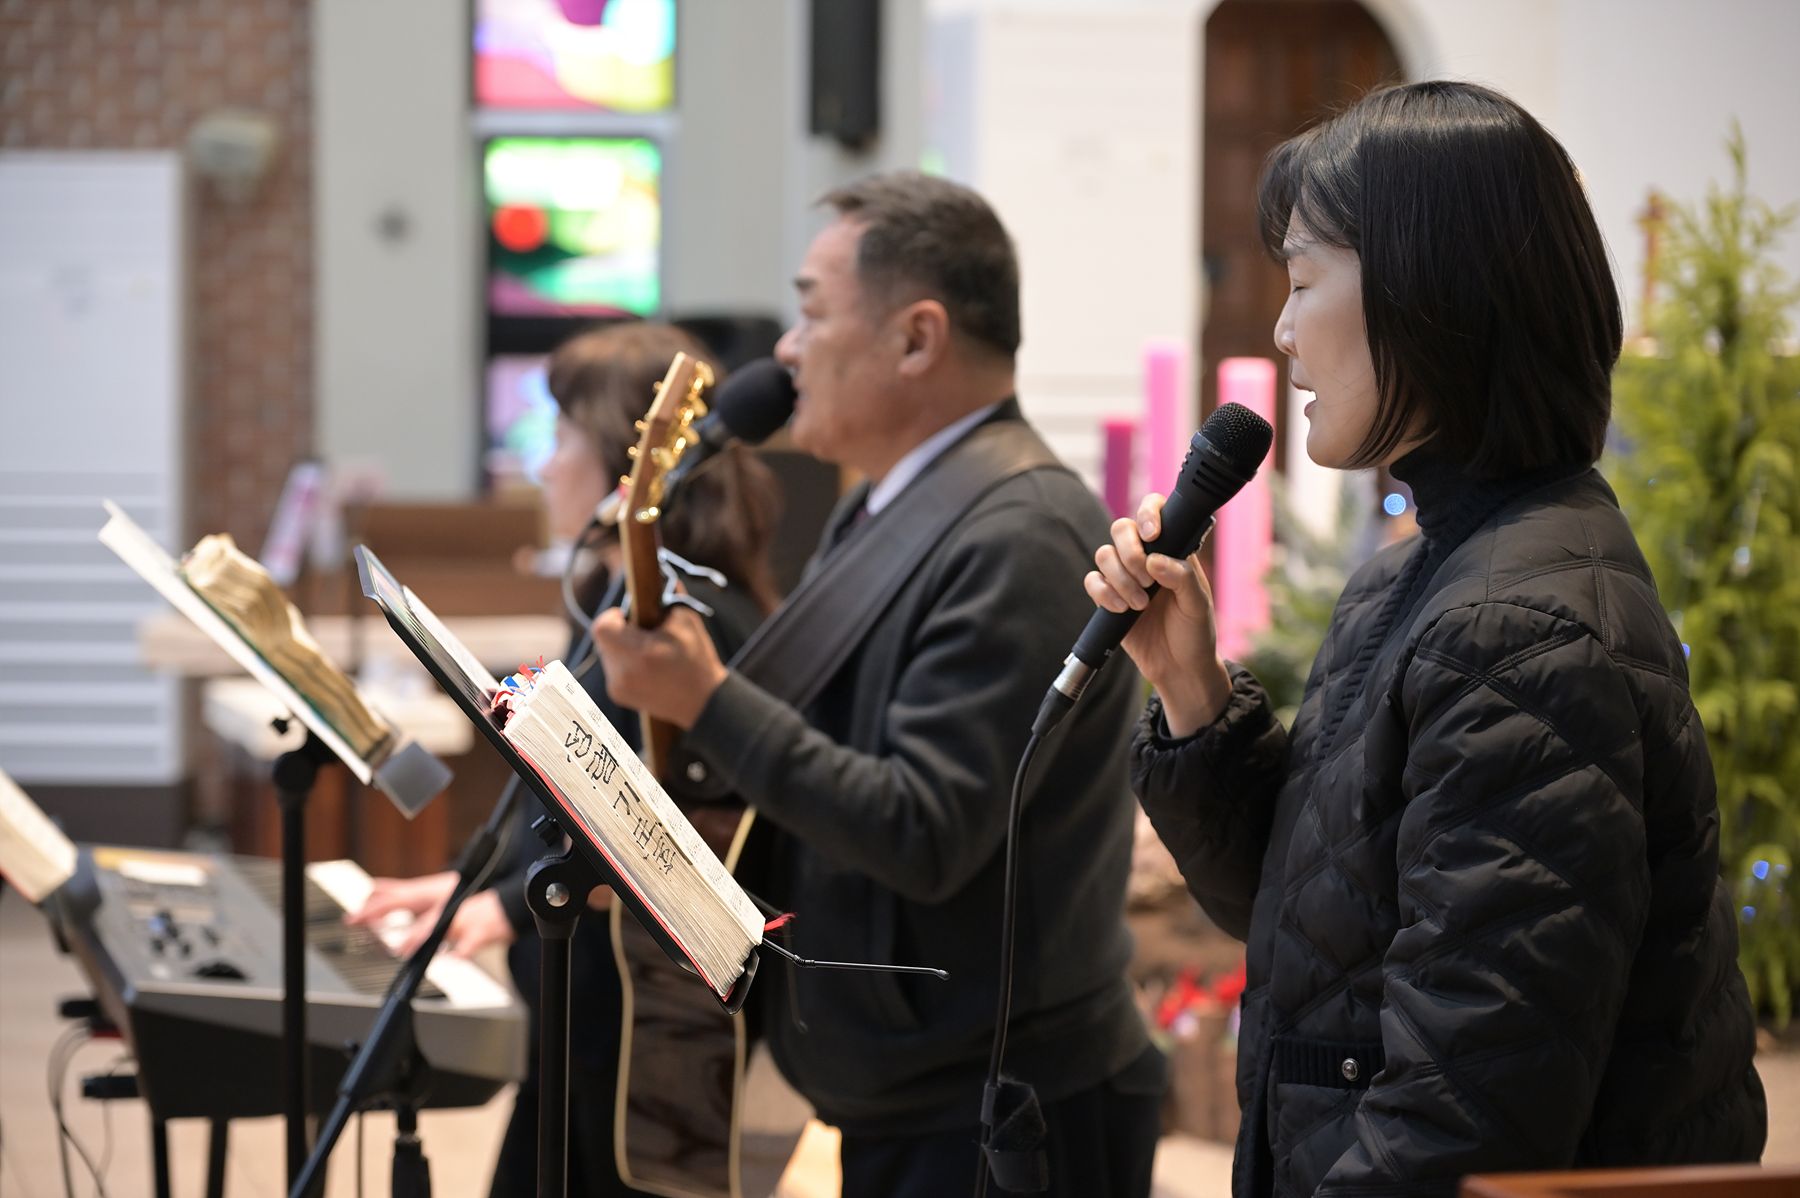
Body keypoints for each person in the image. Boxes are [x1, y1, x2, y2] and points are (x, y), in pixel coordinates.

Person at [1089, 81, 1767, 1197]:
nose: (1282, 330)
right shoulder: (1423, 576)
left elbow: (1468, 1119)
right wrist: (1192, 690)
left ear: (1429, 295)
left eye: (1303, 280)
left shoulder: (1515, 632)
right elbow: (1322, 926)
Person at [592, 173, 1164, 1197]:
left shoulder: (1021, 534)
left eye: (813, 312)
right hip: (921, 1087)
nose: (787, 348)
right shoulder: (893, 506)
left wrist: (709, 701)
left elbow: (924, 826)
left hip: (1008, 1110)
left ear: (916, 339)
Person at [350, 321, 781, 1198]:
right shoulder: (609, 597)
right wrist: (472, 885)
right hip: (580, 1011)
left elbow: (665, 839)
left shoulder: (689, 626)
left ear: (629, 472)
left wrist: (506, 908)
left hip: (636, 1034)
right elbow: (571, 799)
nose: (542, 468)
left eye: (561, 440)